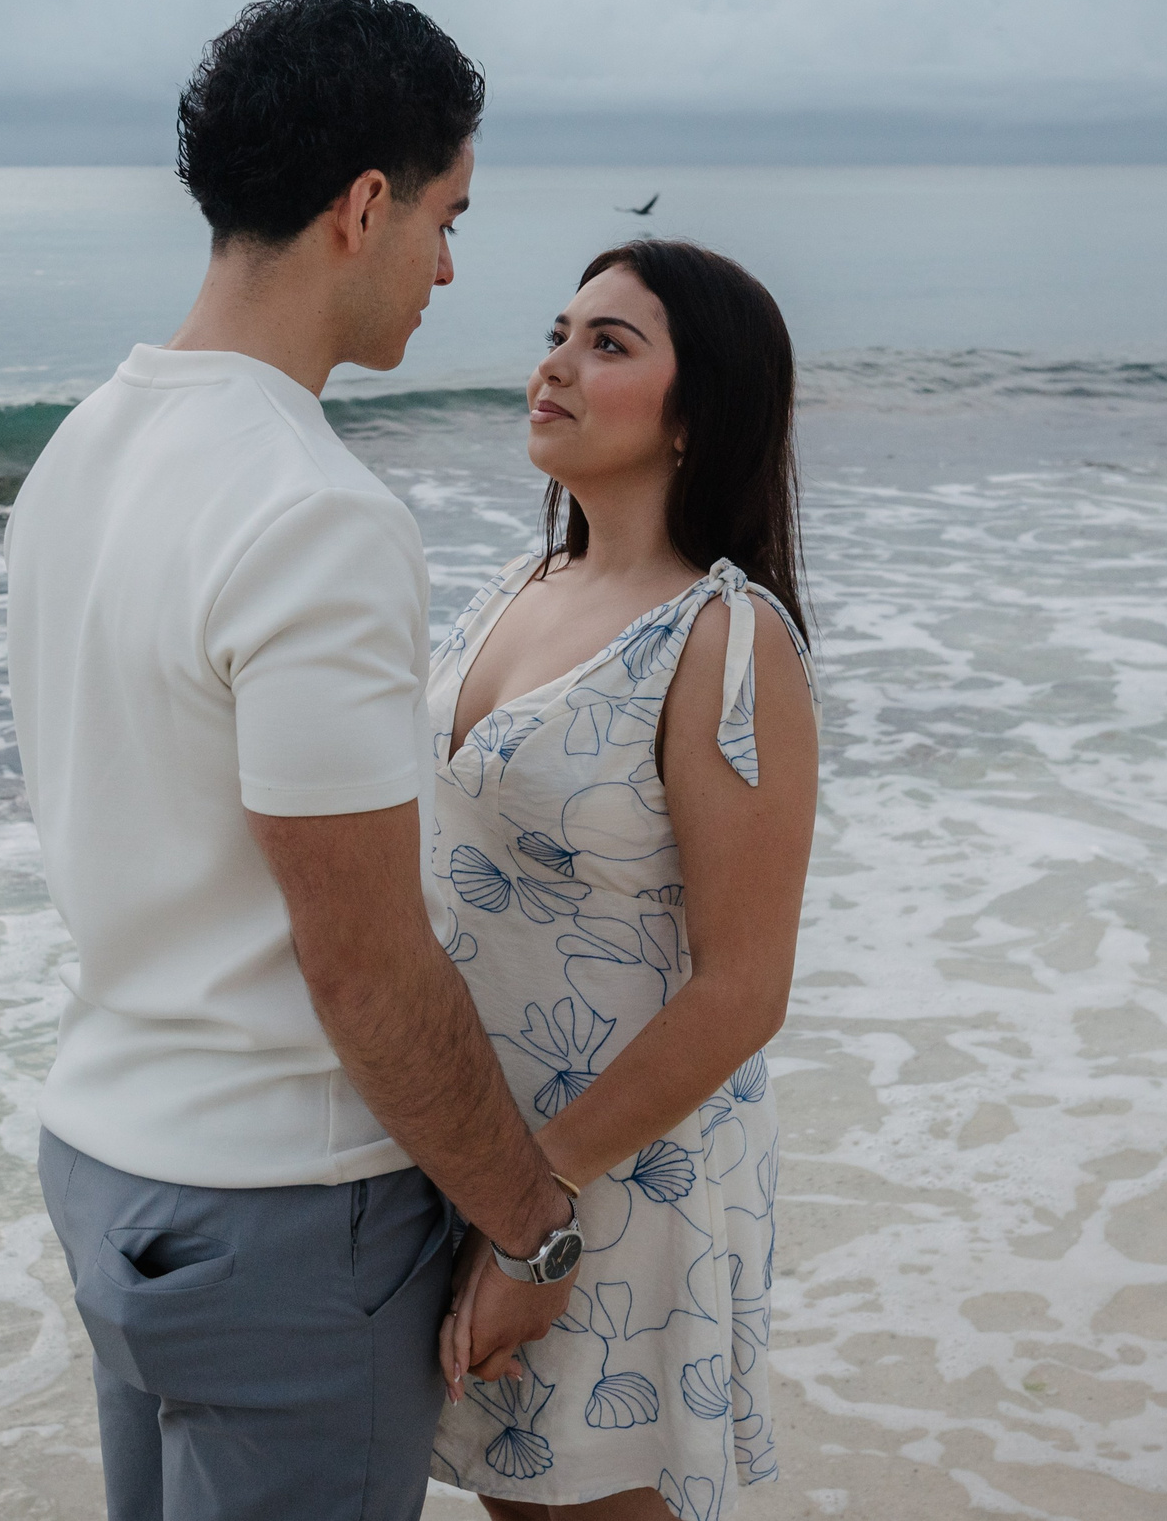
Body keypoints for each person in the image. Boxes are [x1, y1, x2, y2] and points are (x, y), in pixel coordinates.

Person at [5, 0, 586, 1521]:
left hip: (108, 1162)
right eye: (448, 217)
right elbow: (366, 966)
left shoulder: (82, 450)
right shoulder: (310, 510)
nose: (452, 267)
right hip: (280, 1216)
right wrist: (530, 1224)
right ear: (365, 204)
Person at [427, 242, 821, 1521]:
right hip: (485, 1165)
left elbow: (743, 990)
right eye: (559, 330)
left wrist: (534, 1203)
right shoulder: (514, 586)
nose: (553, 362)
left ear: (698, 414)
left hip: (612, 1179)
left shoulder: (724, 636)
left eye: (609, 343)